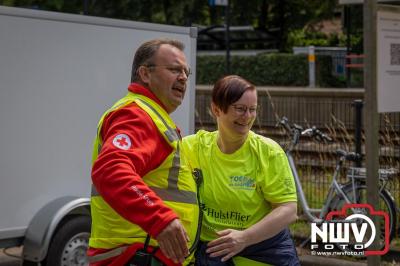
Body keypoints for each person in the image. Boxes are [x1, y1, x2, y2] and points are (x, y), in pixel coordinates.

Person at [88, 39, 199, 266]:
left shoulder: (152, 115)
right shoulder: (138, 114)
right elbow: (110, 170)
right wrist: (161, 219)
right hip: (140, 256)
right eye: (174, 69)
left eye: (186, 72)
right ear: (145, 74)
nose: (183, 77)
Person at [182, 75, 299, 266]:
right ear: (216, 109)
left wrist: (245, 237)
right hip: (214, 248)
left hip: (265, 246)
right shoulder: (192, 147)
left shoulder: (268, 152)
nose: (247, 117)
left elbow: (288, 210)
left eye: (252, 110)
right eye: (240, 109)